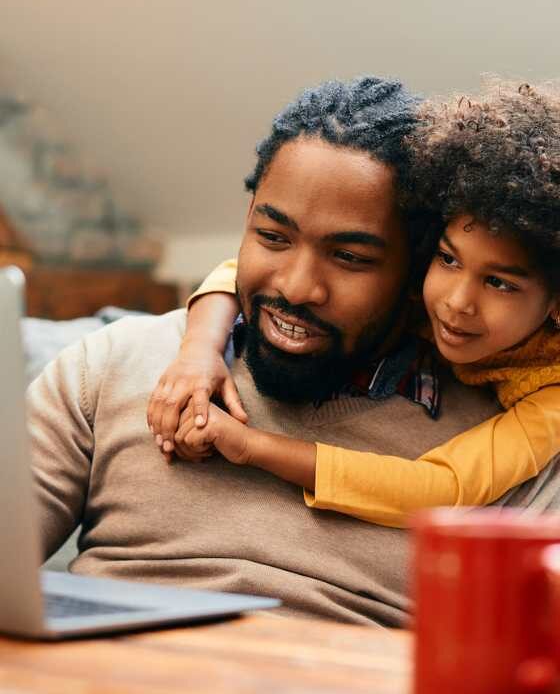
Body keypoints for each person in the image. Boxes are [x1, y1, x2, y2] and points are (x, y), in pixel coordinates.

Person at [29, 77, 560, 627]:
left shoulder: (510, 446)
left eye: (350, 257)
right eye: (273, 237)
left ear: (414, 272)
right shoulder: (112, 364)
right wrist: (199, 345)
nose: (297, 287)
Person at [147, 80, 560, 528]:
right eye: (447, 258)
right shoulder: (429, 297)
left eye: (498, 283)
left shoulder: (552, 398)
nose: (457, 302)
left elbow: (442, 488)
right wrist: (199, 351)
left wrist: (253, 446)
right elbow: (236, 274)